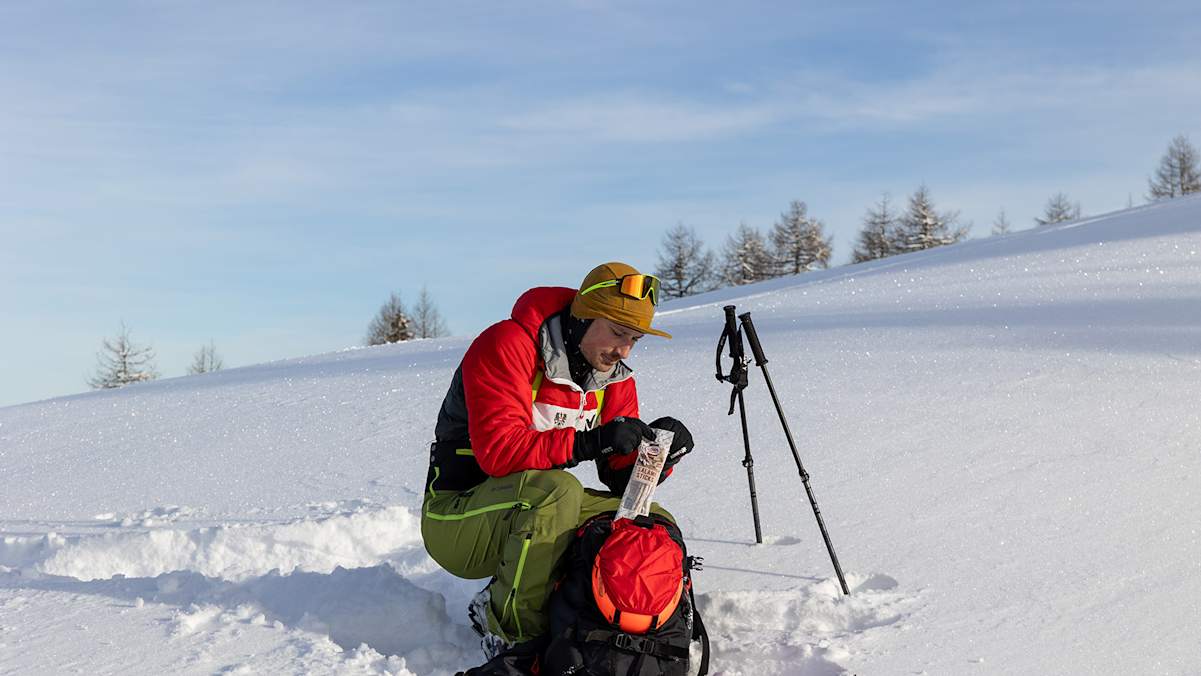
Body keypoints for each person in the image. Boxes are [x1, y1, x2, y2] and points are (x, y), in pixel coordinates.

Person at [421, 261, 694, 672]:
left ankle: (621, 630)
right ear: (584, 316)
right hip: (456, 518)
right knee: (557, 492)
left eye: (634, 339)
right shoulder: (508, 345)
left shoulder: (614, 377)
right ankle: (509, 633)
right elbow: (499, 453)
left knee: (649, 519)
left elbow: (619, 481)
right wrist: (591, 441)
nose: (624, 350)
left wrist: (656, 455)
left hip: (526, 508)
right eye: (618, 332)